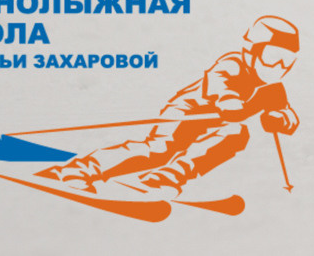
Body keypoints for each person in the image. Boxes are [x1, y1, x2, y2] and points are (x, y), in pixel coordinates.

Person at [37, 15, 300, 193]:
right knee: (160, 149)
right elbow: (222, 88)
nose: (279, 67)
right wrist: (231, 101)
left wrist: (281, 119)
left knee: (236, 134)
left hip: (220, 123)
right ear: (252, 50)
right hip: (188, 112)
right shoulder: (231, 64)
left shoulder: (273, 88)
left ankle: (168, 177)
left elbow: (287, 117)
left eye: (287, 61)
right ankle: (80, 170)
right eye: (273, 57)